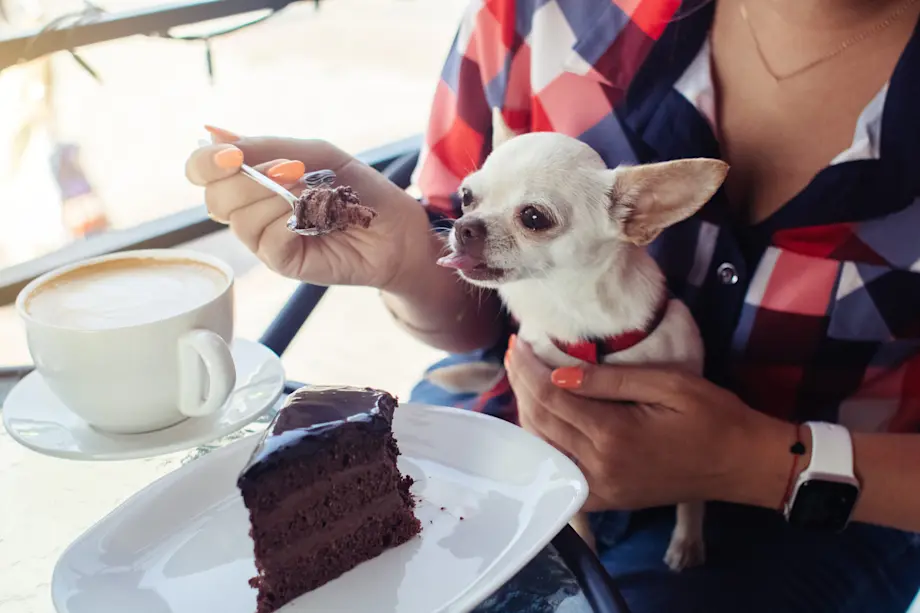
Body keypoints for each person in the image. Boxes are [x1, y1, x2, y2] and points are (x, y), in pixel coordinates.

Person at [186, 0, 920, 610]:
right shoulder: (540, 17)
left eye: (535, 216)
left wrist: (752, 463)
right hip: (513, 433)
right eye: (475, 200)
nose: (475, 217)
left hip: (833, 511)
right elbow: (466, 312)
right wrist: (410, 258)